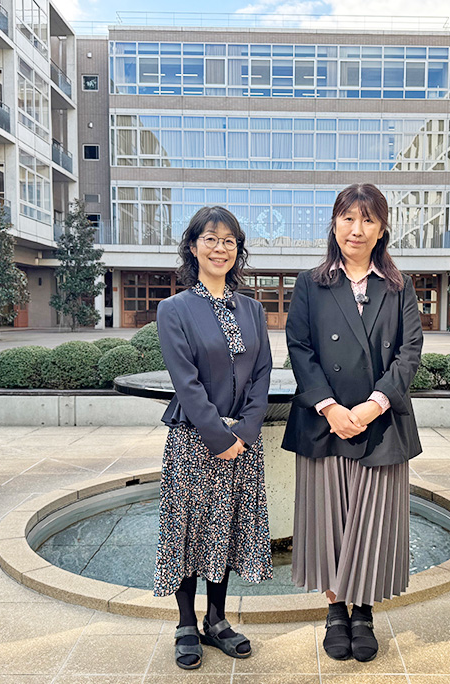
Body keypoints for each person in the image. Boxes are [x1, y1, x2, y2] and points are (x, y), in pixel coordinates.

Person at [283, 183, 423, 664]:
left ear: (382, 228)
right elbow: (299, 348)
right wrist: (328, 406)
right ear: (334, 223)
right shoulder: (311, 283)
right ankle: (335, 610)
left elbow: (409, 354)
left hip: (380, 422)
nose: (356, 229)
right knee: (329, 521)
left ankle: (362, 612)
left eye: (367, 219)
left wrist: (373, 405)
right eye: (347, 218)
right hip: (325, 421)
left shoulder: (399, 287)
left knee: (372, 519)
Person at [154, 206, 273, 670]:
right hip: (193, 440)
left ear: (237, 250)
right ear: (192, 246)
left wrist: (245, 429)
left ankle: (217, 620)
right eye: (210, 238)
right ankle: (186, 622)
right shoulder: (174, 309)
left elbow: (263, 373)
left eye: (229, 241)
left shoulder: (254, 309)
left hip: (242, 442)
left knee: (224, 528)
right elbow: (185, 381)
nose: (220, 247)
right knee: (188, 530)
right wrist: (217, 436)